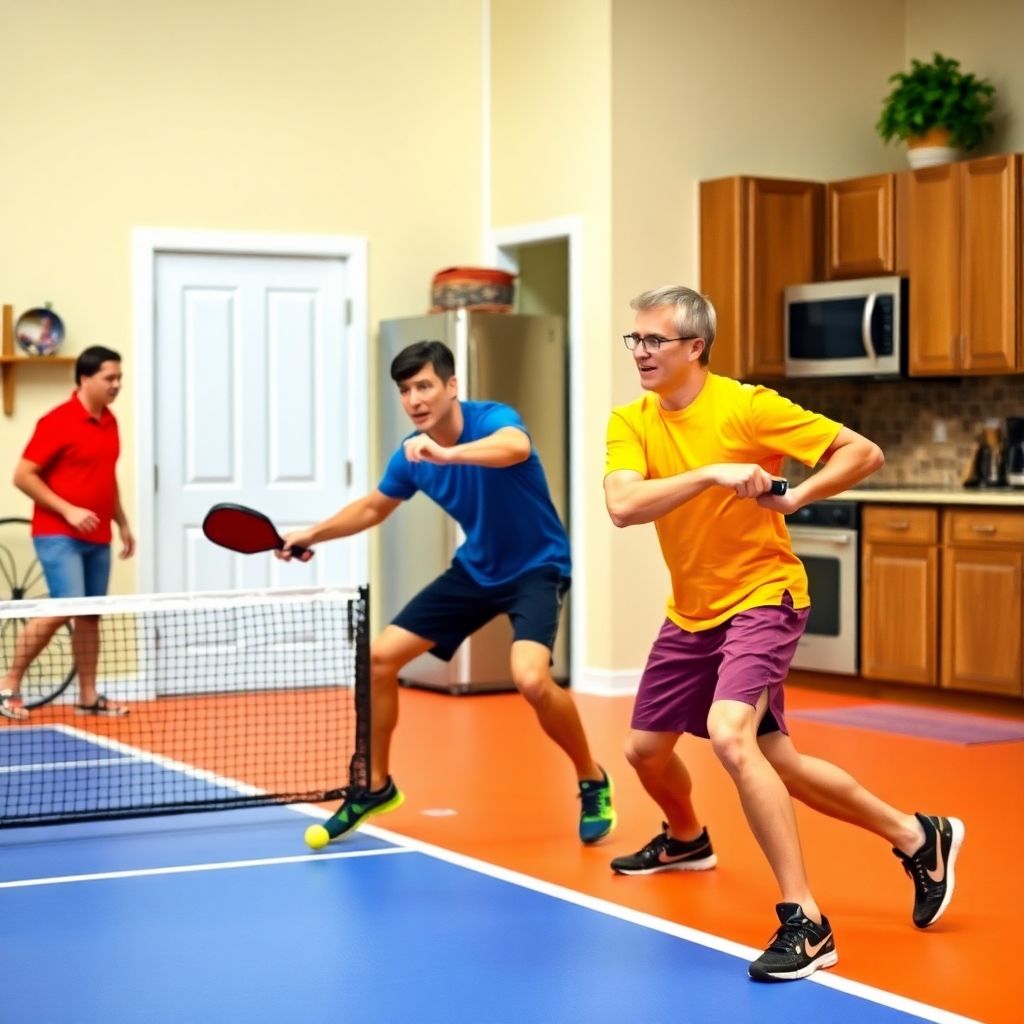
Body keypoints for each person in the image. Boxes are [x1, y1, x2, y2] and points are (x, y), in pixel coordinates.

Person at [603, 285, 964, 982]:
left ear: (695, 347)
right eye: (636, 340)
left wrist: (795, 496)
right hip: (691, 611)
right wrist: (712, 473)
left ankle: (806, 920)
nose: (641, 352)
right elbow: (622, 505)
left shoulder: (748, 405)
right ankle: (917, 836)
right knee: (654, 751)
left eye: (655, 341)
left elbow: (863, 451)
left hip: (764, 596)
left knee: (733, 736)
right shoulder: (633, 420)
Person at [278, 340, 615, 846]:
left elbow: (516, 447)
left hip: (536, 568)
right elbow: (373, 507)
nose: (414, 399)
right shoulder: (411, 456)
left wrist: (450, 453)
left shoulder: (492, 420)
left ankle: (592, 778)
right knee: (378, 660)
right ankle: (374, 785)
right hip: (476, 570)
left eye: (424, 385)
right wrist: (311, 534)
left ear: (451, 386)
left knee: (531, 679)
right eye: (405, 389)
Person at [0, 346, 134, 720]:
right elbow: (22, 476)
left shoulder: (111, 421)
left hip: (98, 538)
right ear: (84, 379)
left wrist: (121, 522)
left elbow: (106, 477)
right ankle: (7, 683)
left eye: (119, 378)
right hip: (57, 533)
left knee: (90, 615)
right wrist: (68, 510)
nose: (116, 385)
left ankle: (88, 697)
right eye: (110, 378)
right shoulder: (57, 421)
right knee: (66, 606)